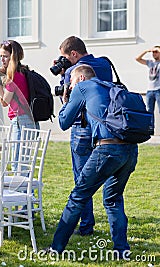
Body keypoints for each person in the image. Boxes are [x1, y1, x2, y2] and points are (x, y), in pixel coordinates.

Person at [49, 64, 138, 258]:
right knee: (113, 199)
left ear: (80, 78)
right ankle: (122, 251)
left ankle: (55, 248)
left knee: (78, 196)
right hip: (130, 150)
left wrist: (66, 100)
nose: (69, 85)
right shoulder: (111, 86)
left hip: (107, 149)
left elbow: (64, 122)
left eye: (70, 81)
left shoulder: (82, 87)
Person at [54, 36, 112, 236]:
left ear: (73, 54)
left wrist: (64, 75)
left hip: (81, 129)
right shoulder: (105, 64)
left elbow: (67, 103)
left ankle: (86, 226)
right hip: (104, 130)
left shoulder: (74, 71)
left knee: (82, 180)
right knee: (108, 181)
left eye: (64, 57)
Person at [135, 46, 160, 126]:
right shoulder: (150, 62)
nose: (154, 53)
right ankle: (150, 129)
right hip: (150, 90)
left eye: (156, 52)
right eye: (153, 52)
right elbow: (137, 59)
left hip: (159, 90)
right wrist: (146, 51)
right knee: (149, 111)